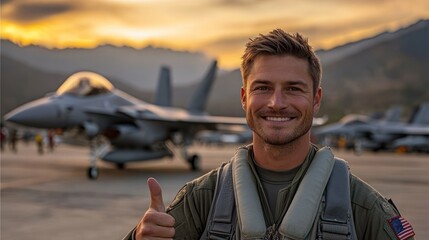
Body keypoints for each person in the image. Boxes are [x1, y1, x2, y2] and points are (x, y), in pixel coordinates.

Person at [123, 29, 415, 240]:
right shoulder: (202, 200)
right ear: (243, 98)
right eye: (262, 88)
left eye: (293, 88)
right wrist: (140, 237)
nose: (277, 103)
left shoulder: (363, 208)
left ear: (316, 99)